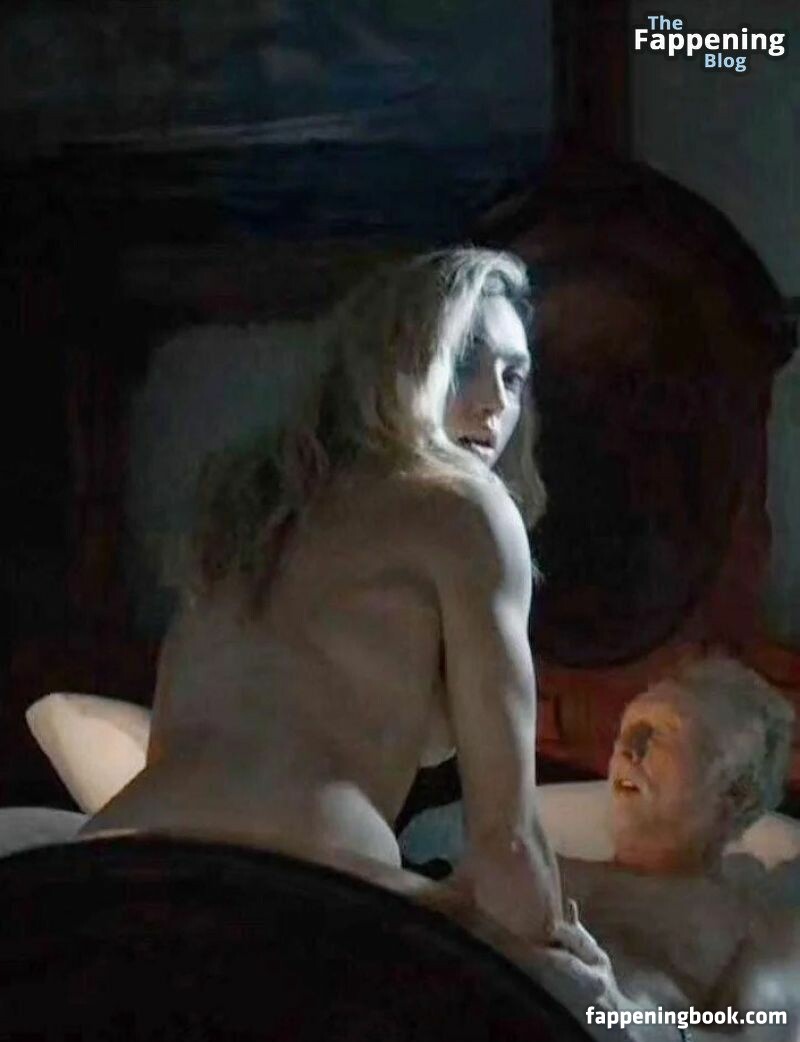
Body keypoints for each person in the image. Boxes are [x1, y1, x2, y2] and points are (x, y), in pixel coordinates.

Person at [84, 248, 564, 946]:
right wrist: (573, 975)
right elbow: (509, 844)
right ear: (395, 364)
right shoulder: (466, 508)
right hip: (307, 888)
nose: (494, 401)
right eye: (465, 362)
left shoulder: (254, 499)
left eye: (513, 377)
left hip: (107, 866)